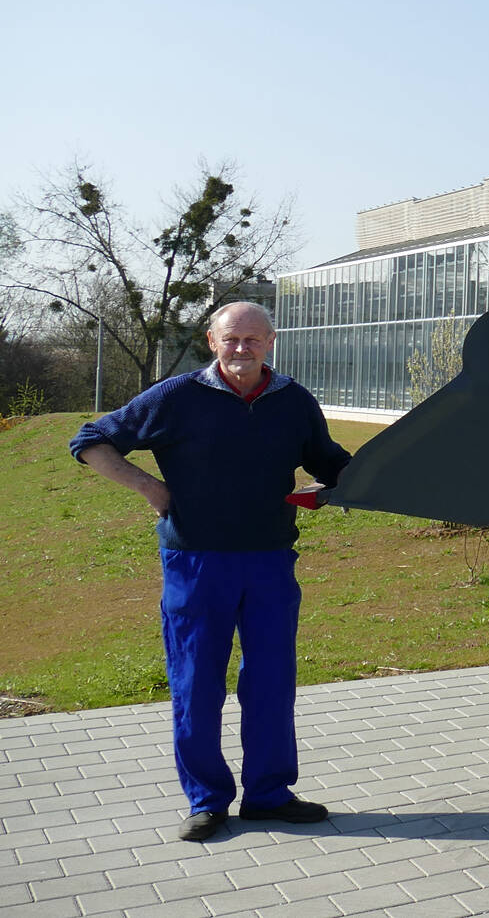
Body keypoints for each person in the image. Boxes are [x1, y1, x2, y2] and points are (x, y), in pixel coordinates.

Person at [70, 302, 350, 843]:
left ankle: (269, 794)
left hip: (270, 560)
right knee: (196, 682)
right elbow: (90, 441)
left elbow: (329, 461)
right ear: (212, 341)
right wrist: (148, 487)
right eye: (232, 338)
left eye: (253, 339)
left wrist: (361, 479)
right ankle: (206, 800)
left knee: (271, 682)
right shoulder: (176, 396)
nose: (242, 348)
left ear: (271, 342)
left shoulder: (293, 400)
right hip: (196, 563)